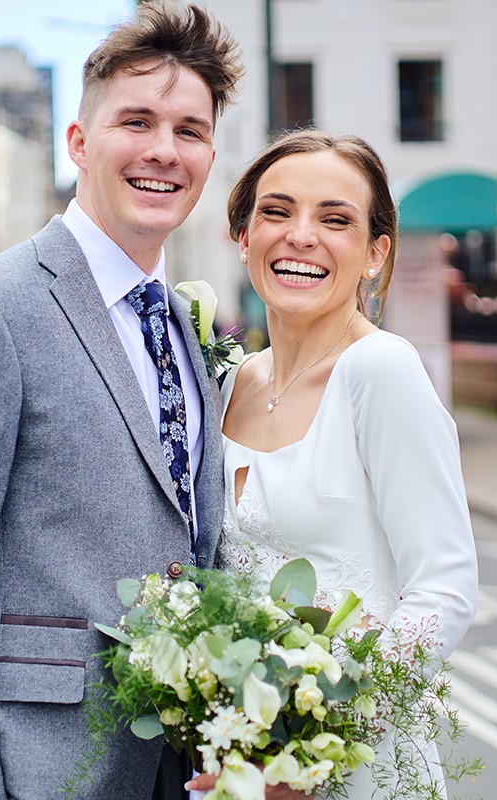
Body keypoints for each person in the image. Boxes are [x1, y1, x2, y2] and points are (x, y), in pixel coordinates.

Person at [0, 4, 243, 799]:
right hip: (32, 770)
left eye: (190, 130)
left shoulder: (180, 322)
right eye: (135, 121)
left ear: (211, 153)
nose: (162, 151)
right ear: (78, 142)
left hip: (168, 771)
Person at [188, 130, 480, 798]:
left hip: (352, 767)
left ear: (375, 254)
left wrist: (318, 738)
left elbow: (445, 589)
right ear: (243, 236)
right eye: (276, 211)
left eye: (335, 219)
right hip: (238, 770)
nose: (301, 235)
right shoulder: (229, 382)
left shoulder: (381, 371)